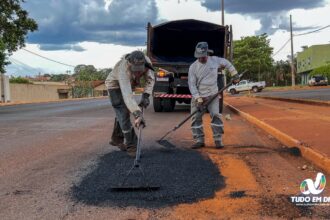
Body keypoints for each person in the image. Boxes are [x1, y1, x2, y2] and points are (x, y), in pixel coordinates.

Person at [188, 42, 240, 149]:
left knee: (216, 115)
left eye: (203, 56)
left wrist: (234, 74)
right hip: (199, 96)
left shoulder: (215, 60)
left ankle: (218, 139)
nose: (201, 59)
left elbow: (227, 64)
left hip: (213, 95)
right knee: (195, 118)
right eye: (199, 57)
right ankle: (199, 140)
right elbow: (192, 84)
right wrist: (198, 98)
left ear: (207, 53)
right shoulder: (193, 67)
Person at [105, 50, 155, 156]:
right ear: (130, 64)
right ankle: (132, 146)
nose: (137, 73)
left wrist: (146, 95)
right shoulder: (123, 70)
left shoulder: (147, 62)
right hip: (114, 86)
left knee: (124, 113)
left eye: (139, 71)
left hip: (129, 84)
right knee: (123, 113)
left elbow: (150, 79)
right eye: (135, 71)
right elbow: (128, 96)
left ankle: (117, 139)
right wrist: (138, 114)